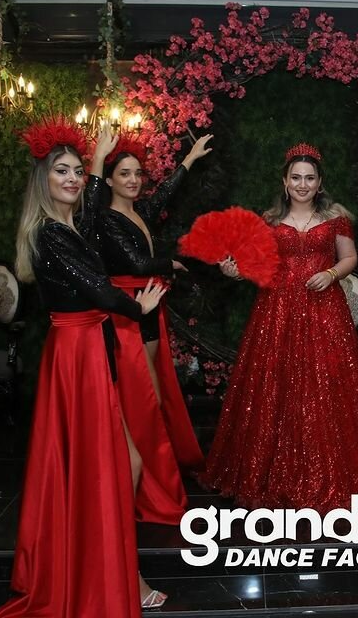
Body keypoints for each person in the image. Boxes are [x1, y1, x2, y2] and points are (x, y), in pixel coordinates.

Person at [0, 118, 168, 618]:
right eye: (62, 172)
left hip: (88, 345)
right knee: (112, 466)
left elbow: (92, 215)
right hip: (78, 352)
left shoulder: (70, 226)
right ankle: (114, 578)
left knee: (120, 463)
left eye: (75, 171)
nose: (71, 179)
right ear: (43, 179)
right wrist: (138, 307)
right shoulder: (50, 234)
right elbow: (98, 290)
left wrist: (96, 165)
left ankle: (113, 570)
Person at [203, 142, 358, 512]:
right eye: (296, 177)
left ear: (320, 182)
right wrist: (234, 272)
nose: (302, 184)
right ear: (284, 181)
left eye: (309, 178)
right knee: (275, 388)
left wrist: (331, 273)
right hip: (276, 312)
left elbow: (350, 258)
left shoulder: (336, 219)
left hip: (325, 312)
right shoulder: (268, 221)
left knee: (329, 387)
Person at [93, 131, 212, 524]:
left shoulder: (137, 212)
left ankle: (150, 472)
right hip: (128, 311)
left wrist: (189, 159)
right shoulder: (106, 219)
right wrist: (171, 264)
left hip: (147, 308)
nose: (133, 180)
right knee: (144, 399)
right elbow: (137, 264)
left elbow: (163, 196)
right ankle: (142, 479)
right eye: (124, 174)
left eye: (137, 174)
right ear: (108, 180)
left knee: (154, 397)